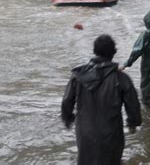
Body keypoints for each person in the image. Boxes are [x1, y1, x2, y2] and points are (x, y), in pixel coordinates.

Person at [61, 34, 142, 165]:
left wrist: (68, 118)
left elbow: (67, 101)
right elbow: (133, 105)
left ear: (94, 52)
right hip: (111, 135)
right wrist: (133, 122)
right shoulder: (121, 78)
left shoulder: (78, 76)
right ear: (113, 53)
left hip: (85, 134)